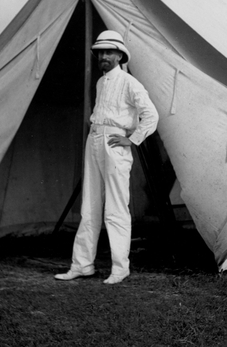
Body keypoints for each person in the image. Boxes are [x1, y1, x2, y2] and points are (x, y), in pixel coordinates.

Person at [55, 30, 159, 284]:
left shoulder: (129, 82)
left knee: (115, 208)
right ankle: (82, 265)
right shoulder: (101, 83)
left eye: (108, 52)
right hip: (95, 140)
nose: (103, 56)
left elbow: (152, 115)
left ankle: (120, 268)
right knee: (89, 206)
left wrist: (131, 139)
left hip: (115, 143)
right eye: (100, 52)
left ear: (120, 55)